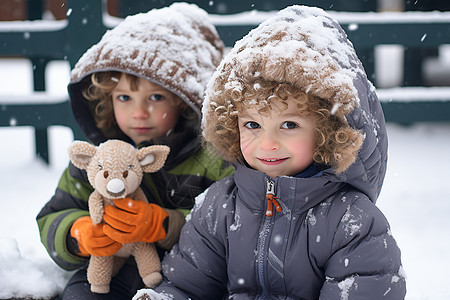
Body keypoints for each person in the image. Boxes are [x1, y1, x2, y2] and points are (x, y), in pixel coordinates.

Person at [133, 5, 406, 300]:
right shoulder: (218, 208)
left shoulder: (352, 222)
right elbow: (185, 286)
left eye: (289, 124)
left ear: (328, 132)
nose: (267, 143)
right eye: (252, 124)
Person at [36, 3, 234, 299]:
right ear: (106, 100)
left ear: (185, 102)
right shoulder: (95, 158)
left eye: (156, 97)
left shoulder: (209, 160)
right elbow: (54, 214)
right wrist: (77, 234)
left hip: (182, 275)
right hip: (105, 271)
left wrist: (166, 224)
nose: (139, 112)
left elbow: (229, 225)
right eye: (125, 98)